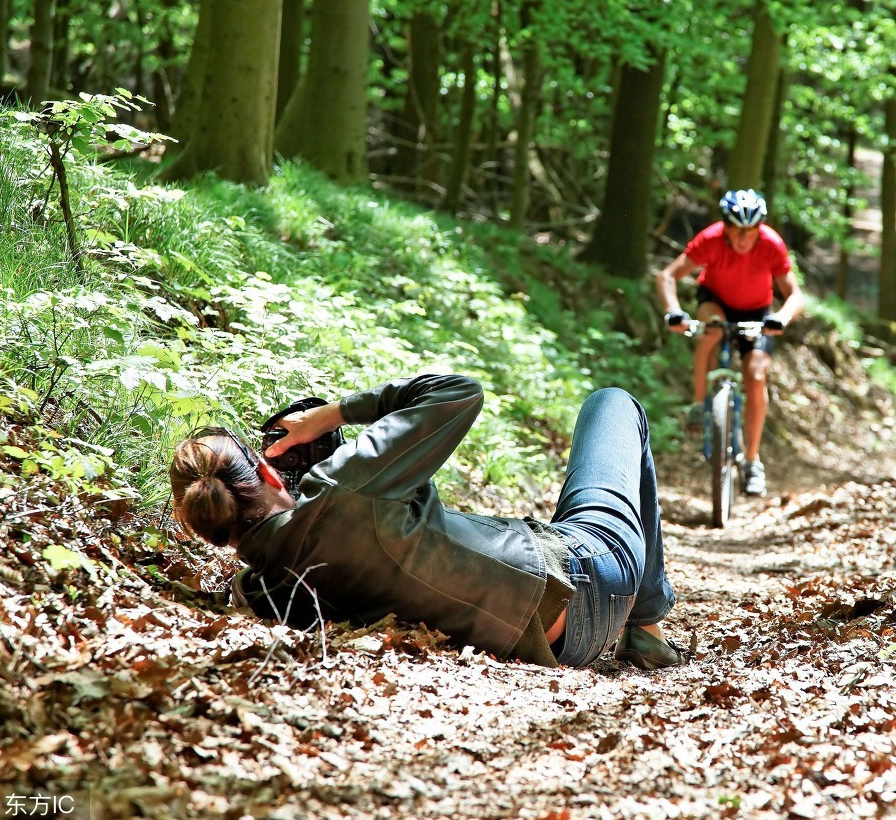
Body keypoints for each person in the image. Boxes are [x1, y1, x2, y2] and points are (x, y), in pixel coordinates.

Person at [168, 374, 686, 670]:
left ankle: (641, 626)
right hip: (589, 578)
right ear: (266, 470)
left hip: (549, 644)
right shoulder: (345, 487)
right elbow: (459, 393)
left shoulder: (261, 589)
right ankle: (646, 624)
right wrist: (333, 415)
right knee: (611, 404)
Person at [655, 188, 803, 497]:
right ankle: (698, 404)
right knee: (713, 328)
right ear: (726, 226)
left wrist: (782, 318)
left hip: (758, 311)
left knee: (756, 375)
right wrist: (673, 312)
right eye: (736, 229)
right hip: (716, 301)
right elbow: (667, 276)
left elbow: (794, 294)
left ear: (759, 228)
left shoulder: (771, 244)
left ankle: (752, 461)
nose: (743, 237)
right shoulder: (710, 239)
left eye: (750, 230)